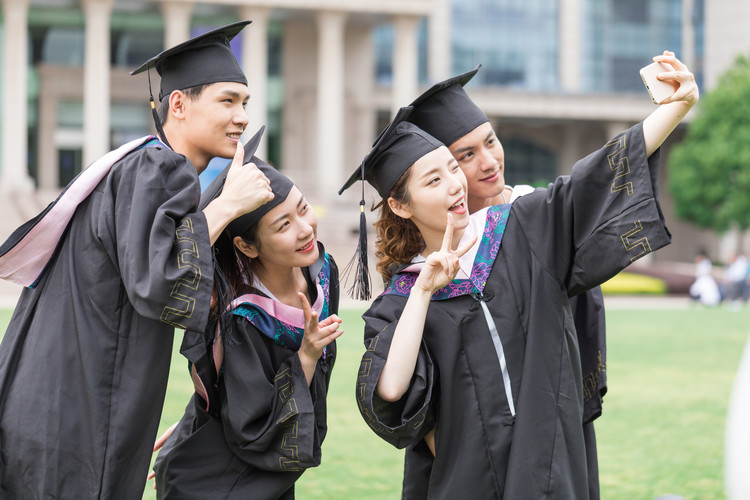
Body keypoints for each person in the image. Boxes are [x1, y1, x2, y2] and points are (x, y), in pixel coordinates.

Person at [341, 51, 698, 498]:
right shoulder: (401, 298)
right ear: (400, 204)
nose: (457, 181)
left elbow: (588, 183)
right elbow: (390, 392)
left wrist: (672, 110)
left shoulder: (523, 228)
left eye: (454, 168)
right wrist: (424, 291)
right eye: (444, 171)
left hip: (547, 469)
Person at [0, 21, 274, 498]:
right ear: (180, 104)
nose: (243, 117)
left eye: (246, 103)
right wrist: (227, 205)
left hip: (55, 401)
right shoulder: (158, 168)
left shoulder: (133, 170)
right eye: (227, 101)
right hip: (84, 409)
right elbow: (160, 282)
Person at [405, 67, 607, 499]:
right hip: (467, 459)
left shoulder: (535, 214)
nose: (489, 161)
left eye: (490, 142)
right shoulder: (421, 270)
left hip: (552, 422)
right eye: (465, 155)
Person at [151, 134, 343, 499]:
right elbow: (250, 424)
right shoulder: (240, 315)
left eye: (303, 208)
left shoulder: (322, 270)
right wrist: (306, 355)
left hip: (272, 473)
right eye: (283, 225)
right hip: (217, 479)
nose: (304, 229)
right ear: (246, 245)